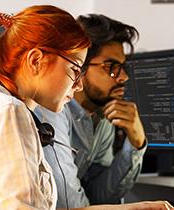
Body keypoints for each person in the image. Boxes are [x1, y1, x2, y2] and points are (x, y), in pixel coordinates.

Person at [0, 4, 174, 210]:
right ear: (36, 60)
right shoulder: (9, 111)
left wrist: (139, 208)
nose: (78, 85)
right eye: (75, 69)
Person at [35, 14, 147, 208]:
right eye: (111, 67)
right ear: (81, 66)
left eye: (123, 67)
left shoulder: (102, 117)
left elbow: (100, 196)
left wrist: (136, 144)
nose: (123, 77)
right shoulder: (51, 110)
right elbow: (68, 204)